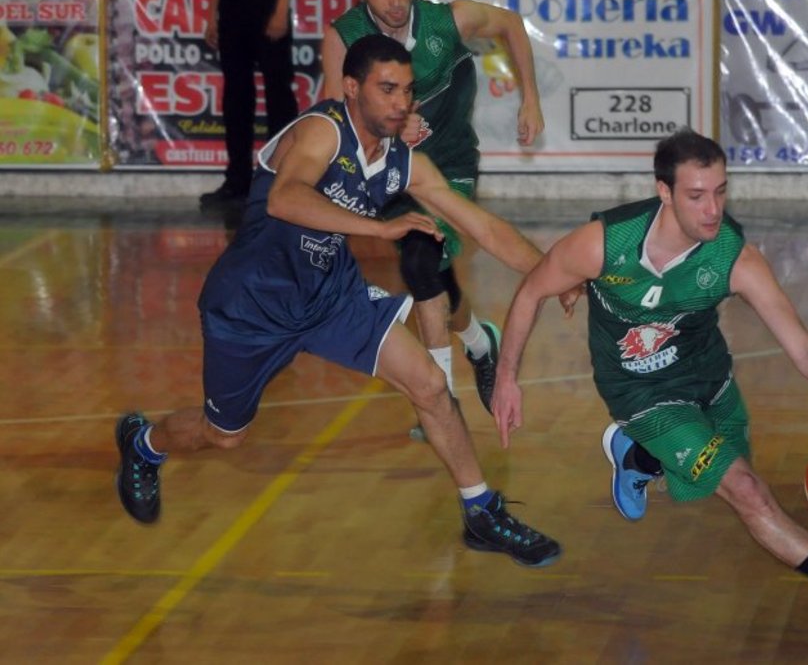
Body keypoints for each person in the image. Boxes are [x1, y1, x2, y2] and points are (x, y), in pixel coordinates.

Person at [115, 35, 560, 568]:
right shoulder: (321, 132)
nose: (401, 103)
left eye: (408, 91)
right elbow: (286, 198)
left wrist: (555, 273)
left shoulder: (402, 161)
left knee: (430, 386)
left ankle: (481, 512)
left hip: (331, 296)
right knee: (225, 436)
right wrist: (379, 227)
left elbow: (482, 227)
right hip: (251, 306)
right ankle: (145, 444)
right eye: (387, 89)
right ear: (352, 88)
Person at [491, 129, 808, 642]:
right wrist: (506, 377)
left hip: (710, 380)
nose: (712, 209)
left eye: (721, 191)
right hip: (640, 393)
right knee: (747, 492)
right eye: (696, 195)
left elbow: (802, 347)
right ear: (664, 193)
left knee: (710, 483)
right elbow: (530, 292)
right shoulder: (605, 244)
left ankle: (639, 458)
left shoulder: (731, 256)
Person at [321, 0, 545, 422]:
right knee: (434, 274)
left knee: (422, 267)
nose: (395, 0)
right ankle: (479, 341)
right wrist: (391, 125)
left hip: (449, 165)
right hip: (387, 171)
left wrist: (531, 98)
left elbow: (508, 23)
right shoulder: (344, 37)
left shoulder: (448, 20)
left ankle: (441, 403)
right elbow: (332, 115)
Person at [201, 0, 301, 208]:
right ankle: (237, 180)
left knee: (278, 90)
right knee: (236, 92)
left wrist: (280, 10)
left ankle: (279, 178)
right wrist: (212, 13)